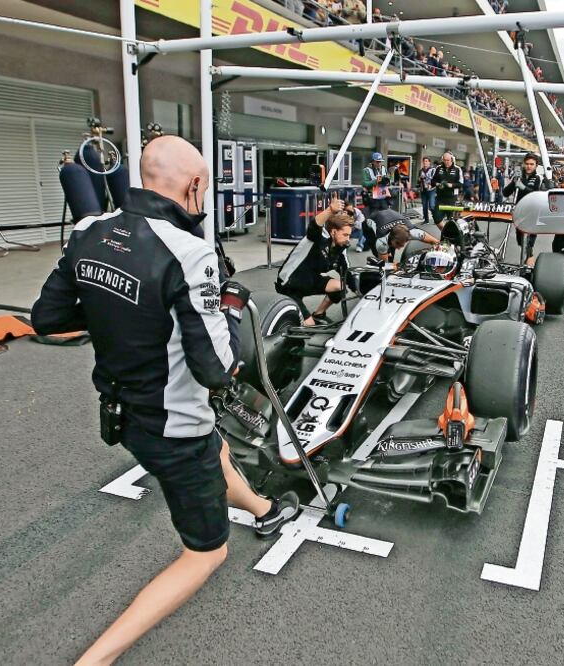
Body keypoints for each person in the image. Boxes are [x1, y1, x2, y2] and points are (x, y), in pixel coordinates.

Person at [30, 136, 299, 664]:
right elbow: (217, 370)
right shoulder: (190, 251)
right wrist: (227, 312)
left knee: (214, 447)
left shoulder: (88, 230)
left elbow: (48, 318)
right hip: (173, 426)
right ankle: (95, 659)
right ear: (196, 186)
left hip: (122, 414)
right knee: (205, 554)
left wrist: (129, 315)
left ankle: (264, 508)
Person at [275, 196, 354, 326]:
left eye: (349, 235)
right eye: (345, 235)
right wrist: (330, 210)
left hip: (309, 280)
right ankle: (303, 319)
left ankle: (319, 314)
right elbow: (314, 225)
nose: (348, 239)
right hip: (289, 284)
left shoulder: (341, 248)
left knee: (341, 286)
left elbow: (348, 274)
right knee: (309, 326)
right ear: (333, 232)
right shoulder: (318, 237)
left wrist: (366, 297)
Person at [502, 153, 543, 265]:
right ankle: (526, 263)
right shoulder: (518, 177)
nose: (529, 166)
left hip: (533, 214)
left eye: (532, 164)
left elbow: (537, 194)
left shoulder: (538, 178)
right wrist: (514, 183)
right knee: (521, 242)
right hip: (519, 214)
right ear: (524, 164)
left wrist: (524, 187)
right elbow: (505, 193)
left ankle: (529, 268)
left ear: (536, 165)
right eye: (527, 164)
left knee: (528, 244)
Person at [431, 151, 463, 229]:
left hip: (452, 199)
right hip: (440, 198)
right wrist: (437, 184)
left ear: (452, 160)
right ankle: (445, 233)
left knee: (451, 221)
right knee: (437, 219)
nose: (446, 162)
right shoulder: (438, 168)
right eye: (444, 160)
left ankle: (451, 235)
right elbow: (432, 181)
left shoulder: (457, 169)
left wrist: (451, 185)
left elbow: (461, 184)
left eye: (448, 160)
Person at [417, 156, 436, 225]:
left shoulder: (433, 170)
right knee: (424, 206)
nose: (425, 162)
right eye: (424, 161)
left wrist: (432, 184)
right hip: (423, 190)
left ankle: (436, 219)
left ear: (429, 162)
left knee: (431, 205)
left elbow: (436, 180)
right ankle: (426, 220)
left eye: (426, 161)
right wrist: (419, 180)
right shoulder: (421, 171)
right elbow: (418, 181)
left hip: (431, 190)